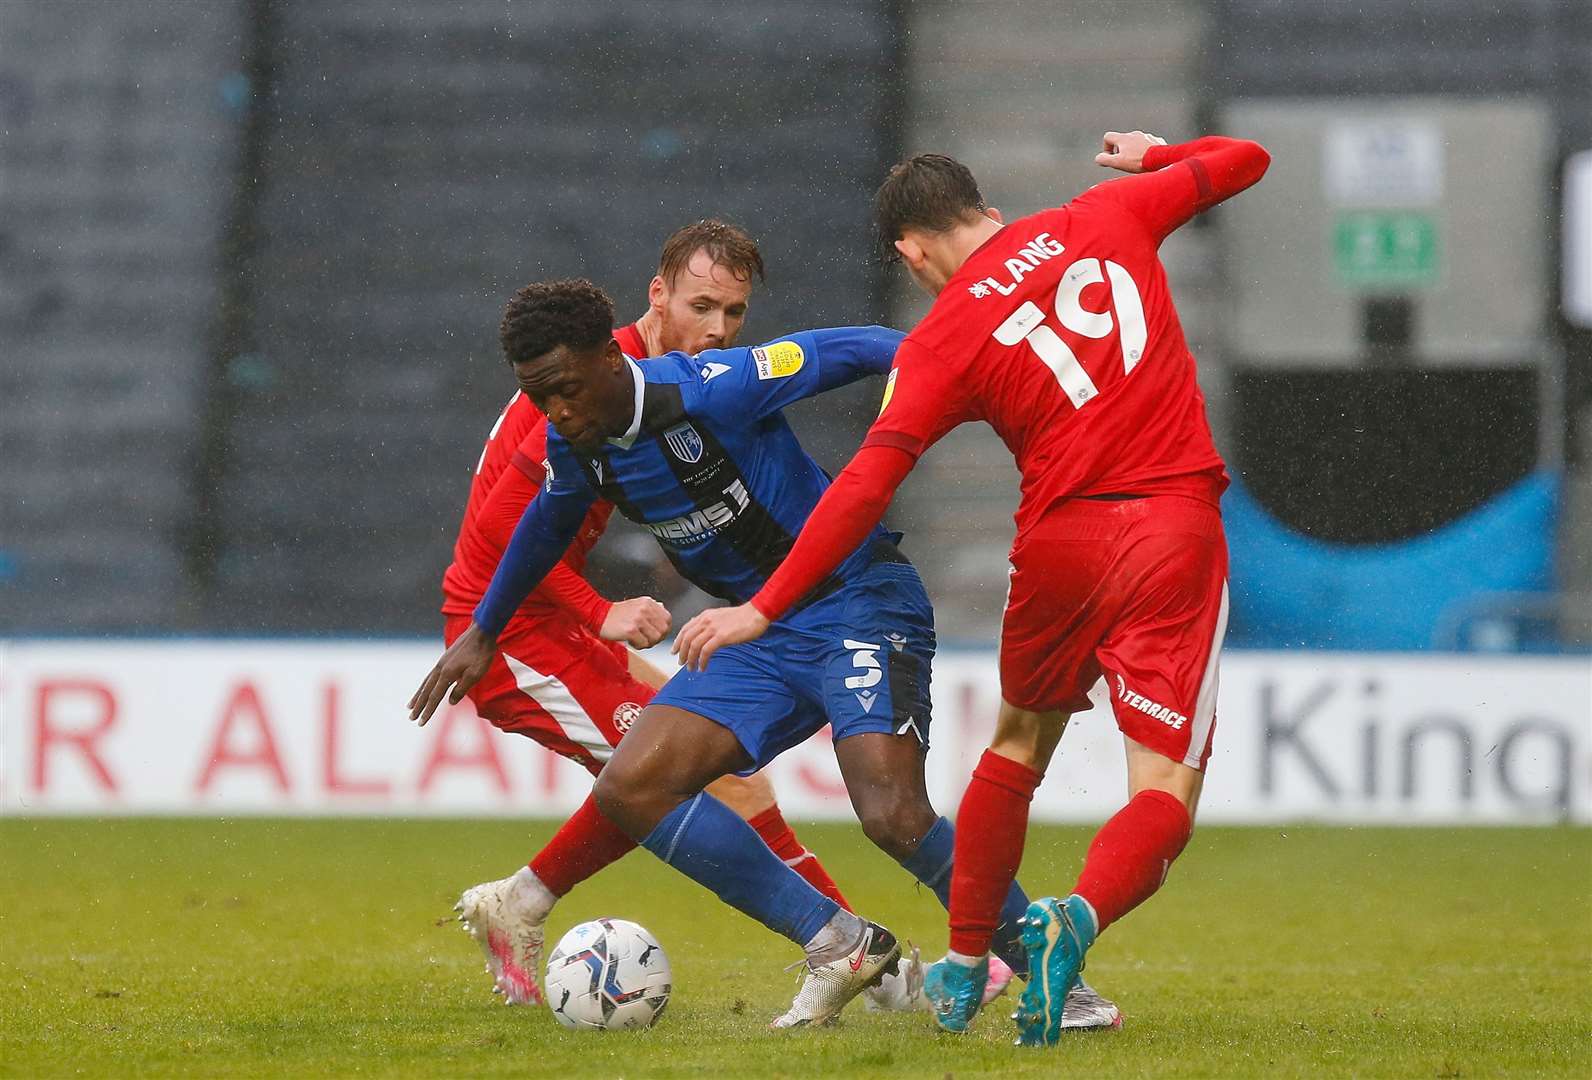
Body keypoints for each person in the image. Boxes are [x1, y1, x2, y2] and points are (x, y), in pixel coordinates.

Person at [672, 130, 1271, 1044]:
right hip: (1169, 529)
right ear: (981, 205)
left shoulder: (940, 340)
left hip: (1058, 545)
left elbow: (867, 483)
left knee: (1017, 746)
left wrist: (764, 604)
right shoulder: (1107, 211)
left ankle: (963, 964)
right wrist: (1158, 156)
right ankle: (1076, 918)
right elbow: (1247, 160)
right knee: (1160, 787)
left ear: (912, 249)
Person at [410, 279, 1050, 1029]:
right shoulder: (574, 442)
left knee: (893, 816)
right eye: (539, 396)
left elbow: (854, 349)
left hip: (856, 600)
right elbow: (545, 524)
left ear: (610, 360)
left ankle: (1057, 979)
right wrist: (483, 630)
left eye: (565, 390)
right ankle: (839, 943)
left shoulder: (713, 387)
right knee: (634, 785)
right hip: (759, 630)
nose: (555, 411)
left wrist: (952, 376)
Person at [423, 221, 851, 1009]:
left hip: (552, 625)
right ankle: (853, 952)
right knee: (672, 781)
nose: (716, 331)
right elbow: (496, 531)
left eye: (733, 313)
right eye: (700, 307)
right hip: (513, 633)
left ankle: (518, 904)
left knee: (711, 775)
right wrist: (599, 608)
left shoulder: (648, 379)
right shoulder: (582, 374)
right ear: (658, 297)